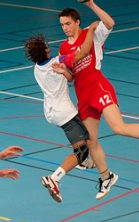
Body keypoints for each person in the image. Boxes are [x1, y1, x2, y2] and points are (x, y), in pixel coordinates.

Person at [58, 0, 139, 198]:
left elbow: (110, 23)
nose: (65, 28)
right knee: (91, 141)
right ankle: (106, 177)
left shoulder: (92, 34)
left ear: (77, 22)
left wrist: (91, 5)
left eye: (68, 23)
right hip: (83, 94)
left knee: (118, 127)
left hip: (98, 87)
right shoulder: (63, 48)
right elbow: (71, 77)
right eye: (62, 25)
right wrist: (63, 72)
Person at [25, 21, 118, 202]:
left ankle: (89, 163)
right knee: (84, 147)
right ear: (44, 51)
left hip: (51, 112)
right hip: (65, 112)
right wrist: (89, 32)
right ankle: (55, 178)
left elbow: (66, 76)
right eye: (46, 46)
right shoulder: (56, 62)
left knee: (84, 140)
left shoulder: (37, 68)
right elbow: (75, 65)